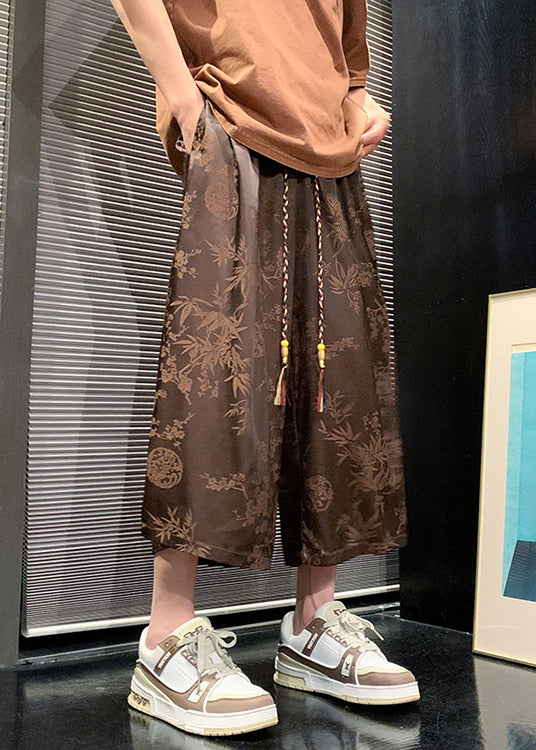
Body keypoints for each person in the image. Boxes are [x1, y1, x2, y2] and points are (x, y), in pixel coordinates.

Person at [108, 0, 419, 737]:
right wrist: (182, 95)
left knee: (336, 387)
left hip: (331, 154)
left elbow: (345, 45)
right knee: (216, 378)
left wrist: (356, 99)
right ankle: (166, 636)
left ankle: (313, 621)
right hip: (233, 123)